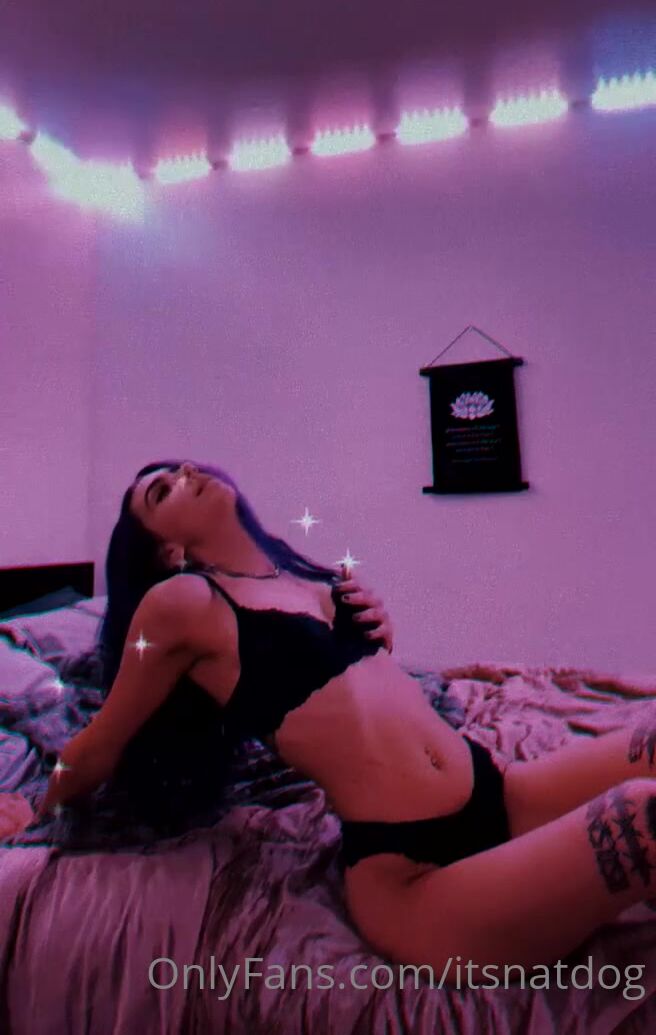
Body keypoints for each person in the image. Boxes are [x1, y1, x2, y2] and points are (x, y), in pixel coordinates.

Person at [13, 459, 656, 980]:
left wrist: (379, 633)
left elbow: (366, 700)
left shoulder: (302, 579)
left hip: (499, 792)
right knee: (642, 817)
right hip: (413, 878)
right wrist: (39, 810)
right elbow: (100, 743)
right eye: (162, 490)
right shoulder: (182, 602)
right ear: (168, 551)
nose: (185, 474)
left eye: (181, 467)